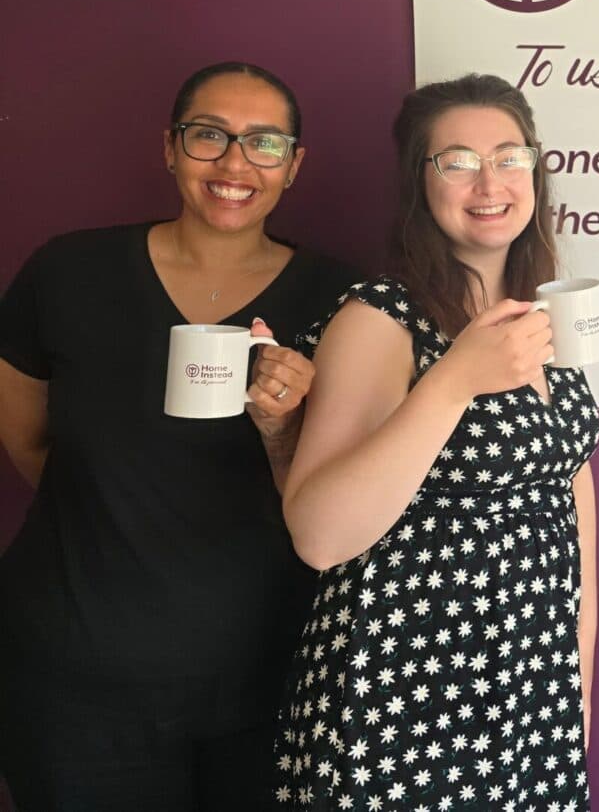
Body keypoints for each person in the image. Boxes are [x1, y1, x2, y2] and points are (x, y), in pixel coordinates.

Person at [0, 62, 356, 811]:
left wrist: (284, 425)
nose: (234, 163)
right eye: (208, 136)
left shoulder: (343, 302)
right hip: (76, 687)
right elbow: (28, 442)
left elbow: (342, 498)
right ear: (170, 148)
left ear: (294, 166)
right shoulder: (67, 273)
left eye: (264, 143)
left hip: (270, 681)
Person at [271, 74, 599, 810]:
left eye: (510, 156)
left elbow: (573, 517)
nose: (489, 181)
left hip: (527, 699)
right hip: (404, 699)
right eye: (456, 160)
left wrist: (575, 696)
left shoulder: (547, 316)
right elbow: (320, 537)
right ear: (421, 182)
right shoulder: (378, 319)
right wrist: (453, 383)